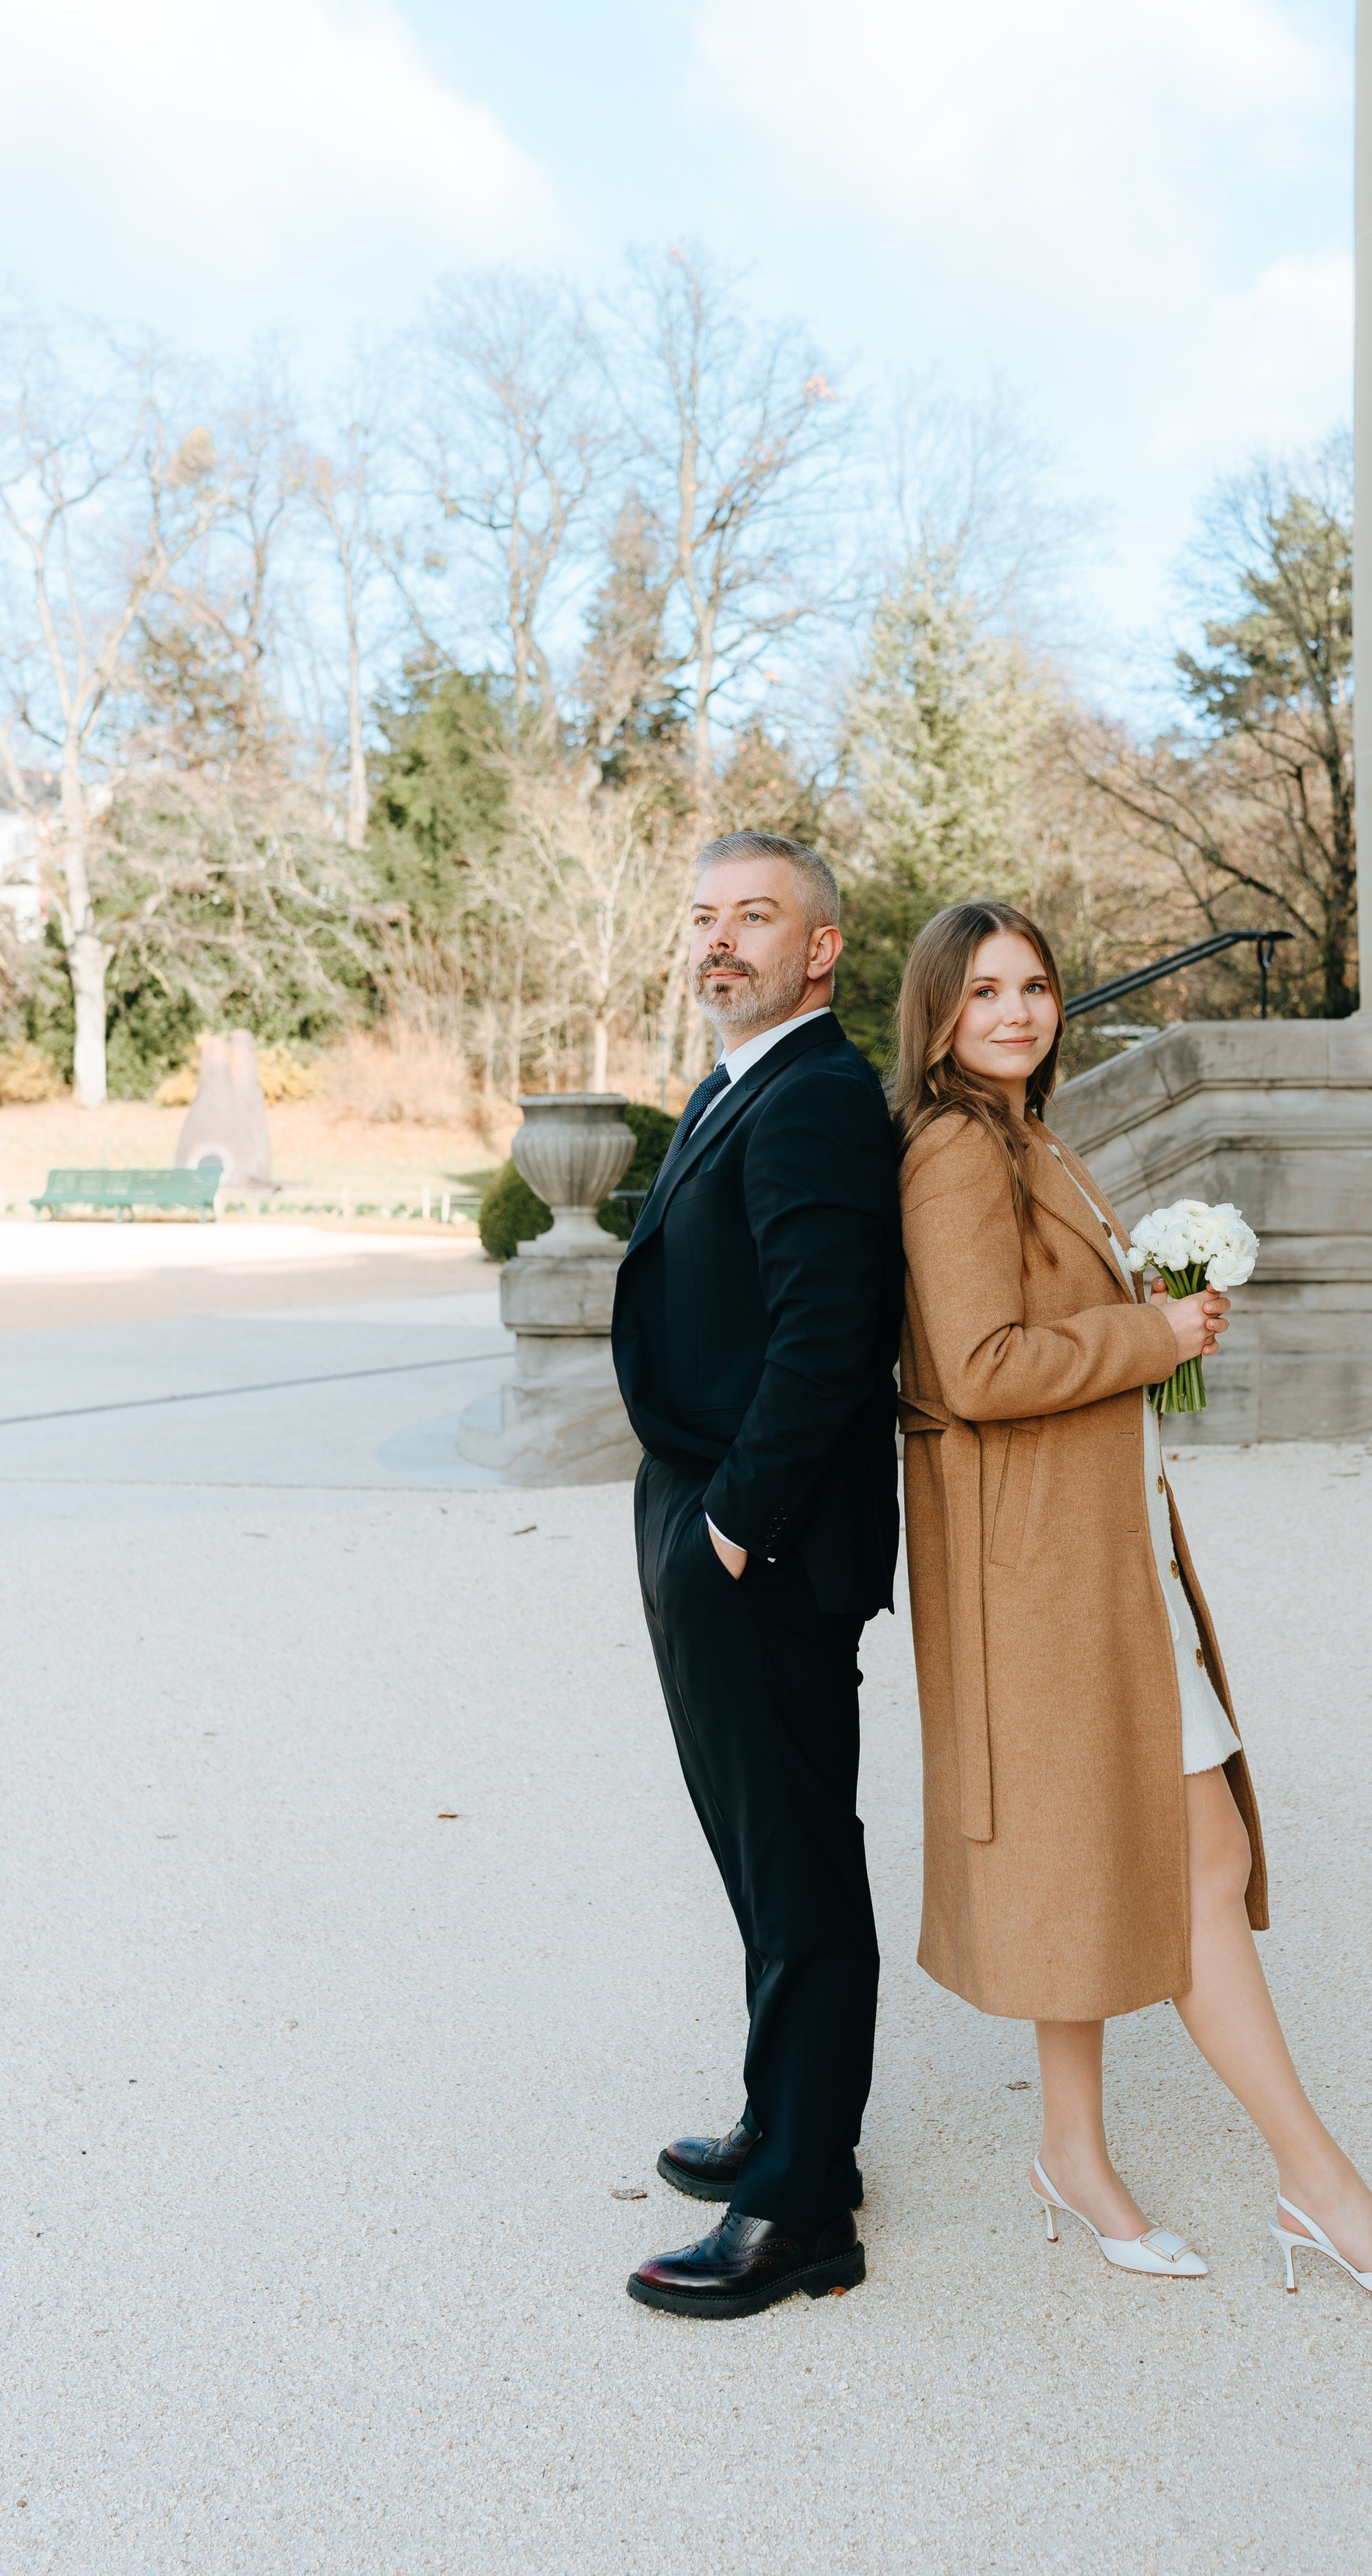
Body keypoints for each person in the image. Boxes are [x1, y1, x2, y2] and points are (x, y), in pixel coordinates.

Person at [895, 899, 1372, 2299]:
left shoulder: (1028, 1137)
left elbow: (1033, 1327)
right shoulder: (953, 1152)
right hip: (1043, 1569)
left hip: (1100, 1548)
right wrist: (1145, 1333)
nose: (1018, 1013)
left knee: (1109, 1852)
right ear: (938, 1013)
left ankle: (1072, 2151)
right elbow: (976, 1368)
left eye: (1034, 986)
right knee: (1189, 1852)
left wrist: (1150, 1309)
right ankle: (1321, 2186)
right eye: (984, 992)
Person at [611, 832, 902, 2320]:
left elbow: (826, 1338)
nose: (721, 939)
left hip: (761, 1546)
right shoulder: (735, 1081)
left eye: (758, 917)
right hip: (705, 1520)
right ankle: (781, 2119)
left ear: (820, 949)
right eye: (706, 914)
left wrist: (731, 1526)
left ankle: (802, 2206)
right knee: (754, 1851)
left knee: (795, 1865)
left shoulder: (819, 1102)